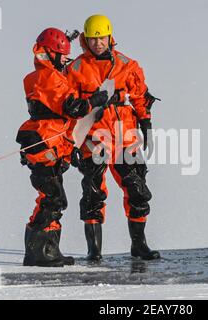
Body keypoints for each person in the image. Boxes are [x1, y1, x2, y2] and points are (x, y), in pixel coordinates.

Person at [66, 15, 161, 261]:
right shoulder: (75, 69)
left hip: (125, 135)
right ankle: (94, 252)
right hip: (93, 137)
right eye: (93, 39)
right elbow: (68, 110)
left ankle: (139, 246)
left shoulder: (127, 65)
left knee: (137, 188)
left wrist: (146, 123)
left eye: (102, 38)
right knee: (93, 192)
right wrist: (71, 142)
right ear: (85, 39)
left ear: (110, 37)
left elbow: (140, 96)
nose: (98, 43)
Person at [16, 27, 107, 267]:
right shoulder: (49, 77)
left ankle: (47, 249)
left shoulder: (40, 76)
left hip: (49, 143)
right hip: (45, 143)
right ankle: (39, 251)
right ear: (51, 53)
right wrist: (95, 101)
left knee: (52, 197)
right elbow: (73, 108)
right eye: (63, 54)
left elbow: (59, 114)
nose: (66, 59)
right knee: (52, 198)